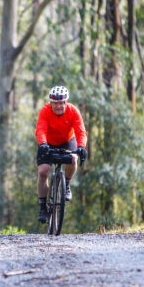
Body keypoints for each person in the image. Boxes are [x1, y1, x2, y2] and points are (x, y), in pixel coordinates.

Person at [35, 86, 87, 223]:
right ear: (50, 102)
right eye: (55, 103)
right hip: (48, 143)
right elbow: (40, 129)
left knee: (73, 159)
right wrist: (43, 143)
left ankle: (67, 184)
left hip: (67, 141)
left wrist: (81, 147)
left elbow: (81, 132)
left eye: (62, 102)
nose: (59, 106)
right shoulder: (45, 111)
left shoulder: (73, 111)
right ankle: (42, 206)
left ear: (66, 101)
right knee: (43, 171)